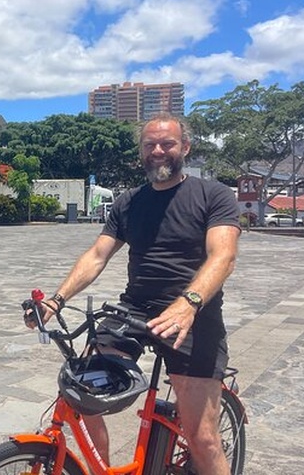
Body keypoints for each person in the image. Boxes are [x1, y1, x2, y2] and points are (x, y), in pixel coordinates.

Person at [27, 113, 240, 474]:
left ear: (185, 147)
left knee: (202, 437)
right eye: (149, 145)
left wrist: (188, 303)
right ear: (141, 152)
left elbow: (224, 255)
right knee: (83, 392)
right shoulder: (129, 202)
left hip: (193, 316)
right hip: (134, 310)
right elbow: (97, 255)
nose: (158, 151)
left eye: (167, 144)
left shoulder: (212, 195)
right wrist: (56, 299)